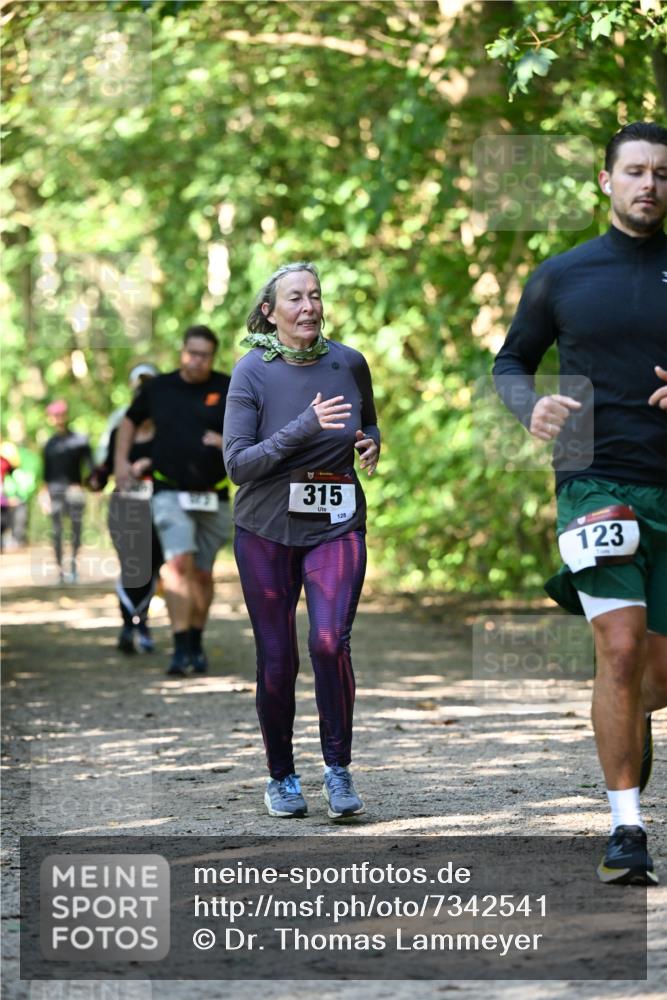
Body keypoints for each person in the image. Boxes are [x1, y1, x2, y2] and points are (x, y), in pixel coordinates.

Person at [493, 121, 667, 886]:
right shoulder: (561, 275)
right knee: (619, 649)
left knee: (652, 673)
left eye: (661, 174)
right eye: (633, 171)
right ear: (605, 181)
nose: (648, 186)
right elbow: (511, 361)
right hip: (592, 479)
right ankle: (625, 828)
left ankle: (632, 716)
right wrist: (528, 406)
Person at [223, 262, 380, 821]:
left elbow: (370, 421)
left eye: (315, 296)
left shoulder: (348, 362)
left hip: (337, 524)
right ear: (270, 311)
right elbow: (239, 465)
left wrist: (369, 445)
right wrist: (304, 428)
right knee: (278, 658)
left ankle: (338, 771)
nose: (309, 307)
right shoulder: (251, 373)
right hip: (266, 531)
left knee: (330, 642)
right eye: (295, 298)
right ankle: (282, 776)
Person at [114, 326, 231, 677]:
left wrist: (226, 440)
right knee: (178, 565)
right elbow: (129, 423)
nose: (196, 360)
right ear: (182, 351)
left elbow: (255, 431)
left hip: (215, 494)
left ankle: (195, 640)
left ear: (213, 356)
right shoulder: (159, 388)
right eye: (191, 352)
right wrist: (120, 463)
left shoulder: (228, 388)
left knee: (203, 573)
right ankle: (180, 648)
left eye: (204, 355)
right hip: (168, 491)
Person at [89, 363, 163, 655]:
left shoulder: (167, 429)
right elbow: (106, 467)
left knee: (151, 565)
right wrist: (96, 478)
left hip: (158, 506)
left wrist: (149, 465)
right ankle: (129, 625)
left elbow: (181, 464)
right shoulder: (121, 428)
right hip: (124, 507)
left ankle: (140, 622)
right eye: (140, 387)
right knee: (132, 566)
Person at [41, 400, 93, 584]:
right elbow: (46, 473)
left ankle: (73, 567)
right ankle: (60, 571)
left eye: (60, 414)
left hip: (74, 490)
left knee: (76, 530)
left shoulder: (79, 440)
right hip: (55, 492)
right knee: (56, 532)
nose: (57, 419)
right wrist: (44, 495)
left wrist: (87, 485)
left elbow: (90, 467)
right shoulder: (49, 444)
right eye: (54, 415)